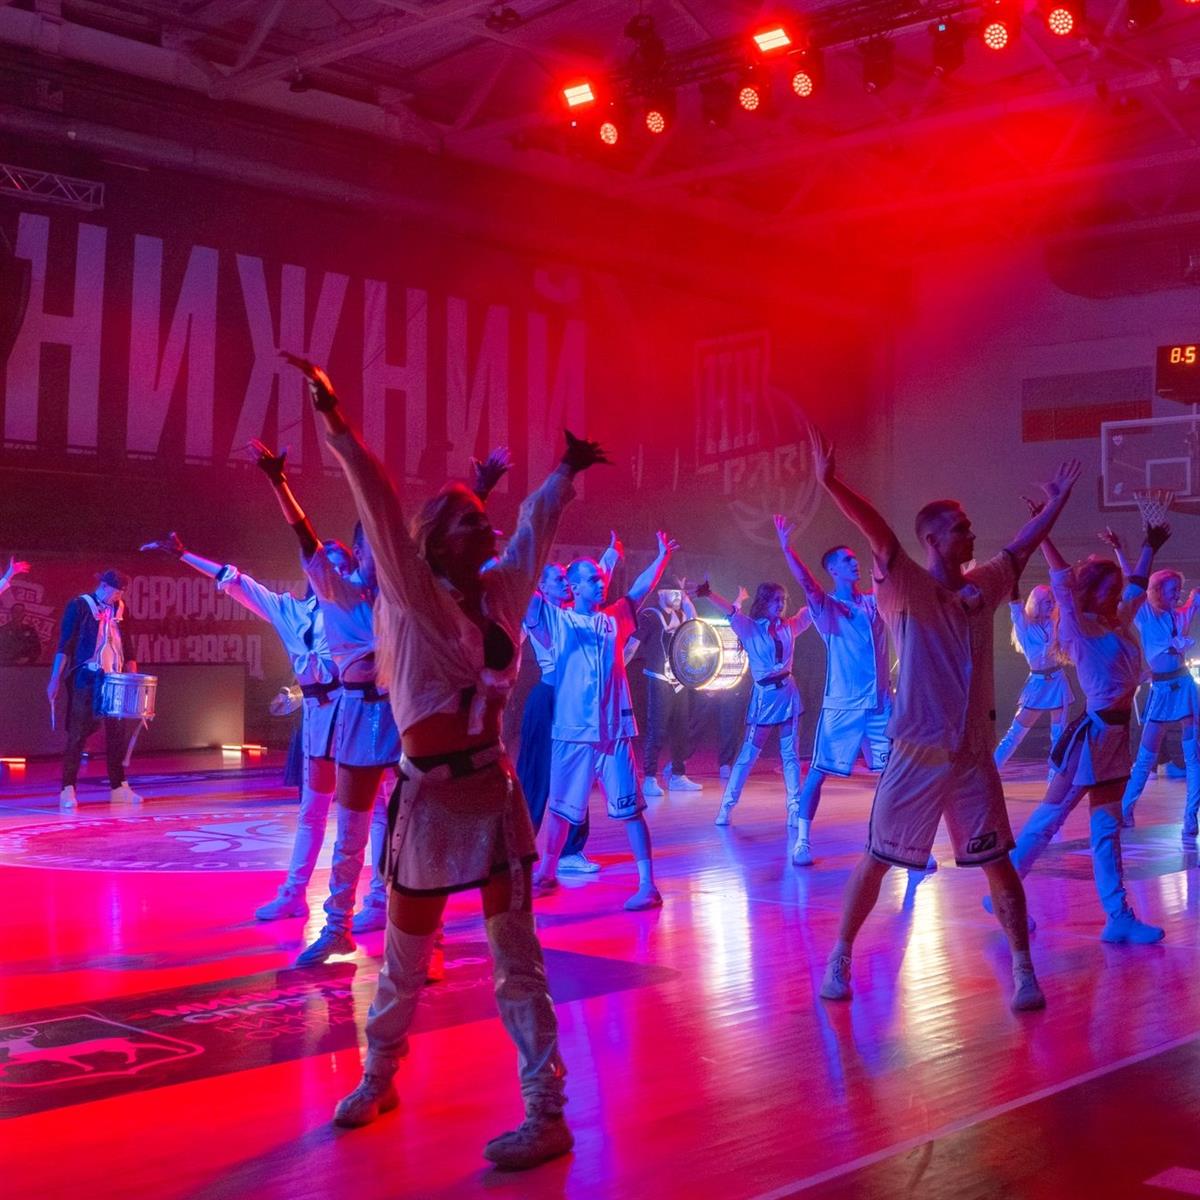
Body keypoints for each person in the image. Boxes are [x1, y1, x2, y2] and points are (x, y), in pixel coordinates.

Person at [284, 355, 605, 1171]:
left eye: (481, 519)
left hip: (492, 799)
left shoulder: (500, 593)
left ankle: (547, 1112)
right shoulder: (409, 594)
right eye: (466, 521)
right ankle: (379, 1076)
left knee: (517, 962)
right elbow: (379, 503)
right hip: (427, 805)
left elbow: (533, 530)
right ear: (433, 541)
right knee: (402, 963)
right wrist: (337, 423)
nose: (484, 529)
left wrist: (564, 472)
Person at [811, 431, 1081, 1013]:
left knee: (998, 864)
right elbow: (878, 533)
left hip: (971, 755)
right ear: (933, 540)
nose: (971, 533)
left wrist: (1056, 505)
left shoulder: (983, 586)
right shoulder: (906, 583)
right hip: (916, 752)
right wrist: (831, 482)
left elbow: (1021, 548)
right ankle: (840, 954)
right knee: (878, 859)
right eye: (960, 527)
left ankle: (1023, 969)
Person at [140, 531, 342, 921]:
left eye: (338, 565)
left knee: (370, 809)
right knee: (313, 811)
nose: (329, 571)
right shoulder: (291, 610)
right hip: (318, 718)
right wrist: (184, 555)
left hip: (357, 714)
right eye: (322, 563)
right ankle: (294, 893)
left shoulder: (360, 612)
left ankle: (375, 897)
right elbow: (235, 582)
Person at [249, 439, 397, 964]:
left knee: (395, 822)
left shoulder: (397, 596)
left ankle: (384, 903)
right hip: (355, 715)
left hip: (397, 717)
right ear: (360, 553)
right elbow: (306, 536)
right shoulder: (337, 590)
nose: (385, 556)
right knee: (350, 828)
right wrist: (279, 482)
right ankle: (337, 925)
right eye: (375, 546)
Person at [991, 525, 1168, 943]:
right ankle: (1003, 891)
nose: (1117, 593)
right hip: (1093, 738)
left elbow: (1137, 587)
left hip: (1115, 738)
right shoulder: (1078, 626)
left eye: (1116, 588)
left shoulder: (1117, 621)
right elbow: (1063, 585)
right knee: (1050, 819)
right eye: (1108, 587)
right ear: (1091, 591)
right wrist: (1045, 533)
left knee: (1106, 830)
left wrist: (1148, 545)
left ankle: (1118, 917)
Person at [527, 533, 680, 911]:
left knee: (632, 811)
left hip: (613, 736)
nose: (602, 583)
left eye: (601, 577)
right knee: (560, 810)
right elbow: (523, 590)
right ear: (575, 587)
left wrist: (661, 557)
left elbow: (640, 590)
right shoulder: (557, 621)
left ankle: (648, 885)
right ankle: (547, 872)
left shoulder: (614, 619)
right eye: (593, 579)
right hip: (572, 734)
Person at [773, 519, 892, 868]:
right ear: (833, 570)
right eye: (847, 560)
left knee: (894, 775)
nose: (855, 563)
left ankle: (899, 842)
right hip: (843, 704)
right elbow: (808, 584)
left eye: (856, 558)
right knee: (819, 771)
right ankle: (802, 840)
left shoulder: (873, 602)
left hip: (880, 704)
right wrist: (787, 548)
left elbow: (903, 587)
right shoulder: (827, 607)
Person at [516, 534, 624, 877]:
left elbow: (595, 577)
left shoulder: (573, 615)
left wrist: (612, 553)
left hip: (572, 704)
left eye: (568, 578)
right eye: (559, 579)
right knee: (536, 777)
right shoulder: (539, 615)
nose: (566, 583)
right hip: (548, 701)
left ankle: (570, 851)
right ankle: (520, 848)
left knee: (578, 775)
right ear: (542, 587)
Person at [696, 579, 812, 828]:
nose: (781, 605)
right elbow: (730, 611)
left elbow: (813, 608)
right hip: (764, 698)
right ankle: (726, 807)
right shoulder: (749, 628)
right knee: (748, 755)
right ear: (764, 602)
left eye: (783, 600)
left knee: (790, 755)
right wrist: (708, 593)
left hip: (788, 694)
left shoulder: (789, 626)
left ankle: (794, 808)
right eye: (776, 600)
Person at [1117, 556, 1200, 834]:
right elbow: (1135, 582)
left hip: (1183, 687)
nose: (1177, 595)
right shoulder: (1146, 615)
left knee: (1193, 755)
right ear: (1156, 591)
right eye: (1172, 590)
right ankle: (1126, 809)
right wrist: (1119, 551)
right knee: (1145, 756)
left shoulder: (1181, 614)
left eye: (1179, 590)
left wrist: (1193, 595)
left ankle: (1191, 816)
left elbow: (1194, 598)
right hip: (1161, 691)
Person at [47, 569, 142, 810]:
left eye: (122, 592)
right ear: (104, 586)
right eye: (117, 591)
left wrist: (132, 678)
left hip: (115, 678)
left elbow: (128, 647)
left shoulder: (121, 609)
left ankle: (119, 787)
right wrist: (55, 679)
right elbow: (65, 645)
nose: (119, 596)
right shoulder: (80, 605)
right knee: (78, 733)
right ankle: (68, 788)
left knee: (117, 733)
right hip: (88, 675)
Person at [631, 582, 704, 796]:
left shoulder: (682, 616)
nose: (679, 596)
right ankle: (650, 779)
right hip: (658, 679)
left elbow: (696, 629)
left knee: (681, 729)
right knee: (657, 729)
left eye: (681, 593)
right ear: (661, 593)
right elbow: (632, 645)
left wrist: (687, 601)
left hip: (679, 681)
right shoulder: (650, 615)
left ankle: (677, 775)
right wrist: (616, 669)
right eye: (674, 593)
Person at [994, 584, 1074, 775]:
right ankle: (990, 772)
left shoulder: (1056, 623)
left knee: (1059, 736)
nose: (1051, 605)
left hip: (1058, 681)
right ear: (1036, 604)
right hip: (1037, 685)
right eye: (1047, 602)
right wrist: (1013, 577)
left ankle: (1054, 780)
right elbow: (1015, 605)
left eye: (1052, 602)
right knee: (1015, 735)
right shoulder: (1024, 626)